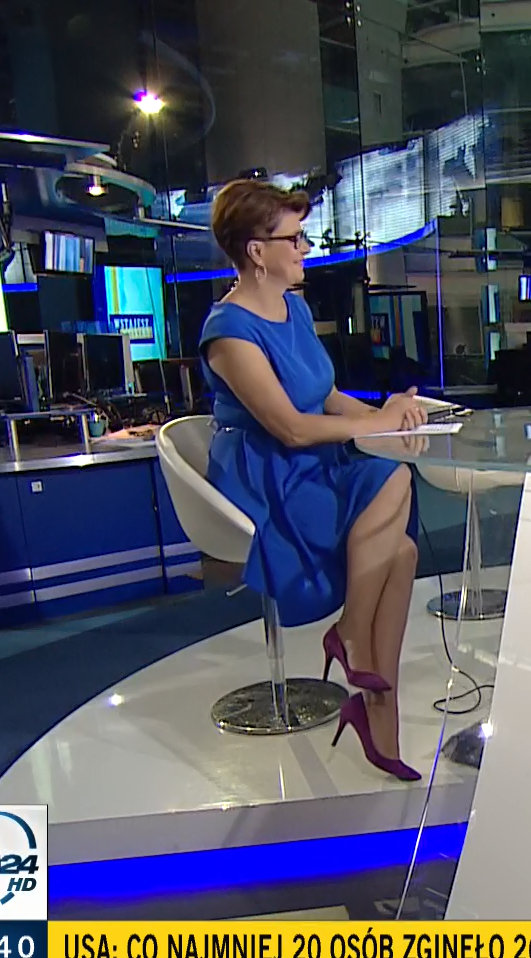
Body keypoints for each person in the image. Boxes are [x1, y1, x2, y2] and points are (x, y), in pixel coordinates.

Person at [199, 178, 427, 781]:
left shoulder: (294, 308)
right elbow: (291, 427)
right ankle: (350, 639)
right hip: (264, 476)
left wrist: (386, 417)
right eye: (293, 239)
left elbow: (325, 397)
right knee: (391, 486)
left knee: (401, 550)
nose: (305, 248)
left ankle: (377, 713)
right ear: (256, 251)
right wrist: (374, 428)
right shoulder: (229, 332)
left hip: (310, 463)